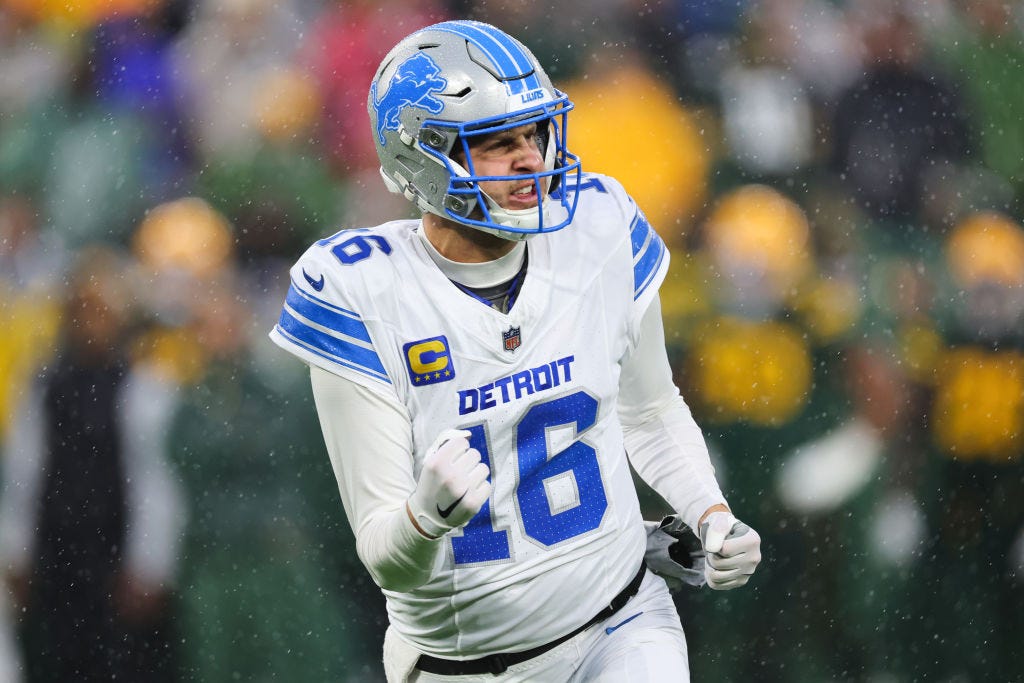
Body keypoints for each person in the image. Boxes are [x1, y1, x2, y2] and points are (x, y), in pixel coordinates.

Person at [269, 20, 762, 682]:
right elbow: (386, 554)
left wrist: (709, 512)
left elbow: (649, 410)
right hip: (466, 664)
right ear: (425, 157)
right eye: (499, 144)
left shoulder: (600, 223)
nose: (532, 158)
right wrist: (425, 516)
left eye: (534, 133)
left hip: (623, 622)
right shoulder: (363, 289)